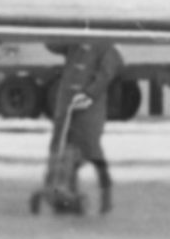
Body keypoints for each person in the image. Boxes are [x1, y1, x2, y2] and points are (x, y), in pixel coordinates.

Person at [35, 41, 123, 215]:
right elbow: (54, 44)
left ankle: (106, 196)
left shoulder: (106, 48)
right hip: (67, 104)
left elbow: (106, 74)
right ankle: (62, 190)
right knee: (63, 149)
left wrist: (89, 94)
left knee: (92, 151)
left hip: (89, 109)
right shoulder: (75, 44)